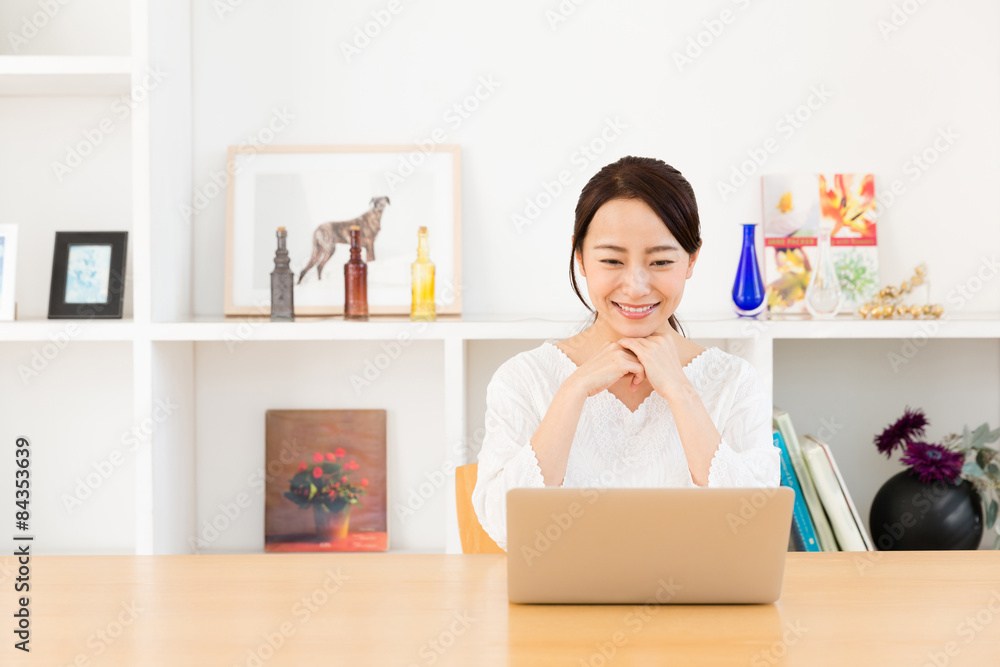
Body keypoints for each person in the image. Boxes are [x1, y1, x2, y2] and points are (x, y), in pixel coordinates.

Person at [471, 156, 780, 551]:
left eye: (661, 261)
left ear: (692, 260)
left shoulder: (734, 381)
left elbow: (755, 527)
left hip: (697, 607)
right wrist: (573, 390)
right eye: (612, 260)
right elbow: (504, 527)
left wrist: (682, 393)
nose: (635, 286)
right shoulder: (524, 377)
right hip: (563, 606)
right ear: (580, 258)